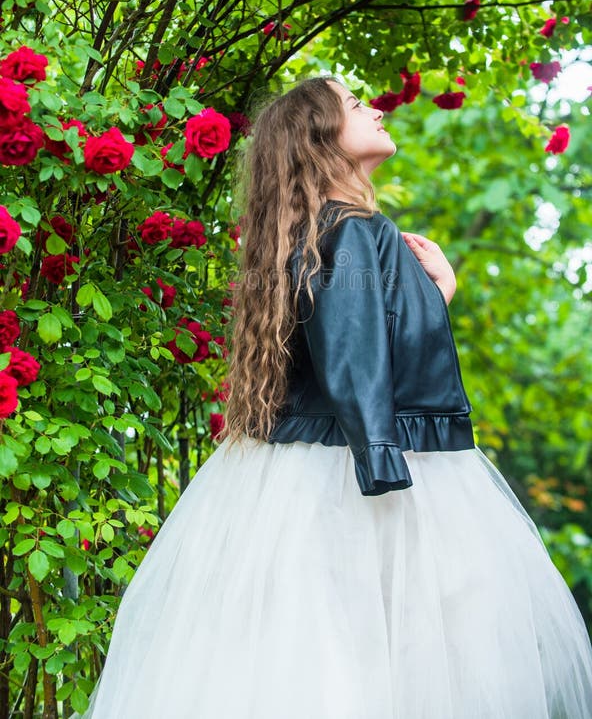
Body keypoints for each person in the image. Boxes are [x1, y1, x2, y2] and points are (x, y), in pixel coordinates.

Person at [72, 76, 592, 719]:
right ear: (322, 137)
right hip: (368, 467)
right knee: (382, 655)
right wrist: (383, 469)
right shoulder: (350, 233)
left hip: (326, 463)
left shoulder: (328, 233)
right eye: (354, 104)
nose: (374, 107)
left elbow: (358, 340)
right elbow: (352, 360)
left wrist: (435, 295)